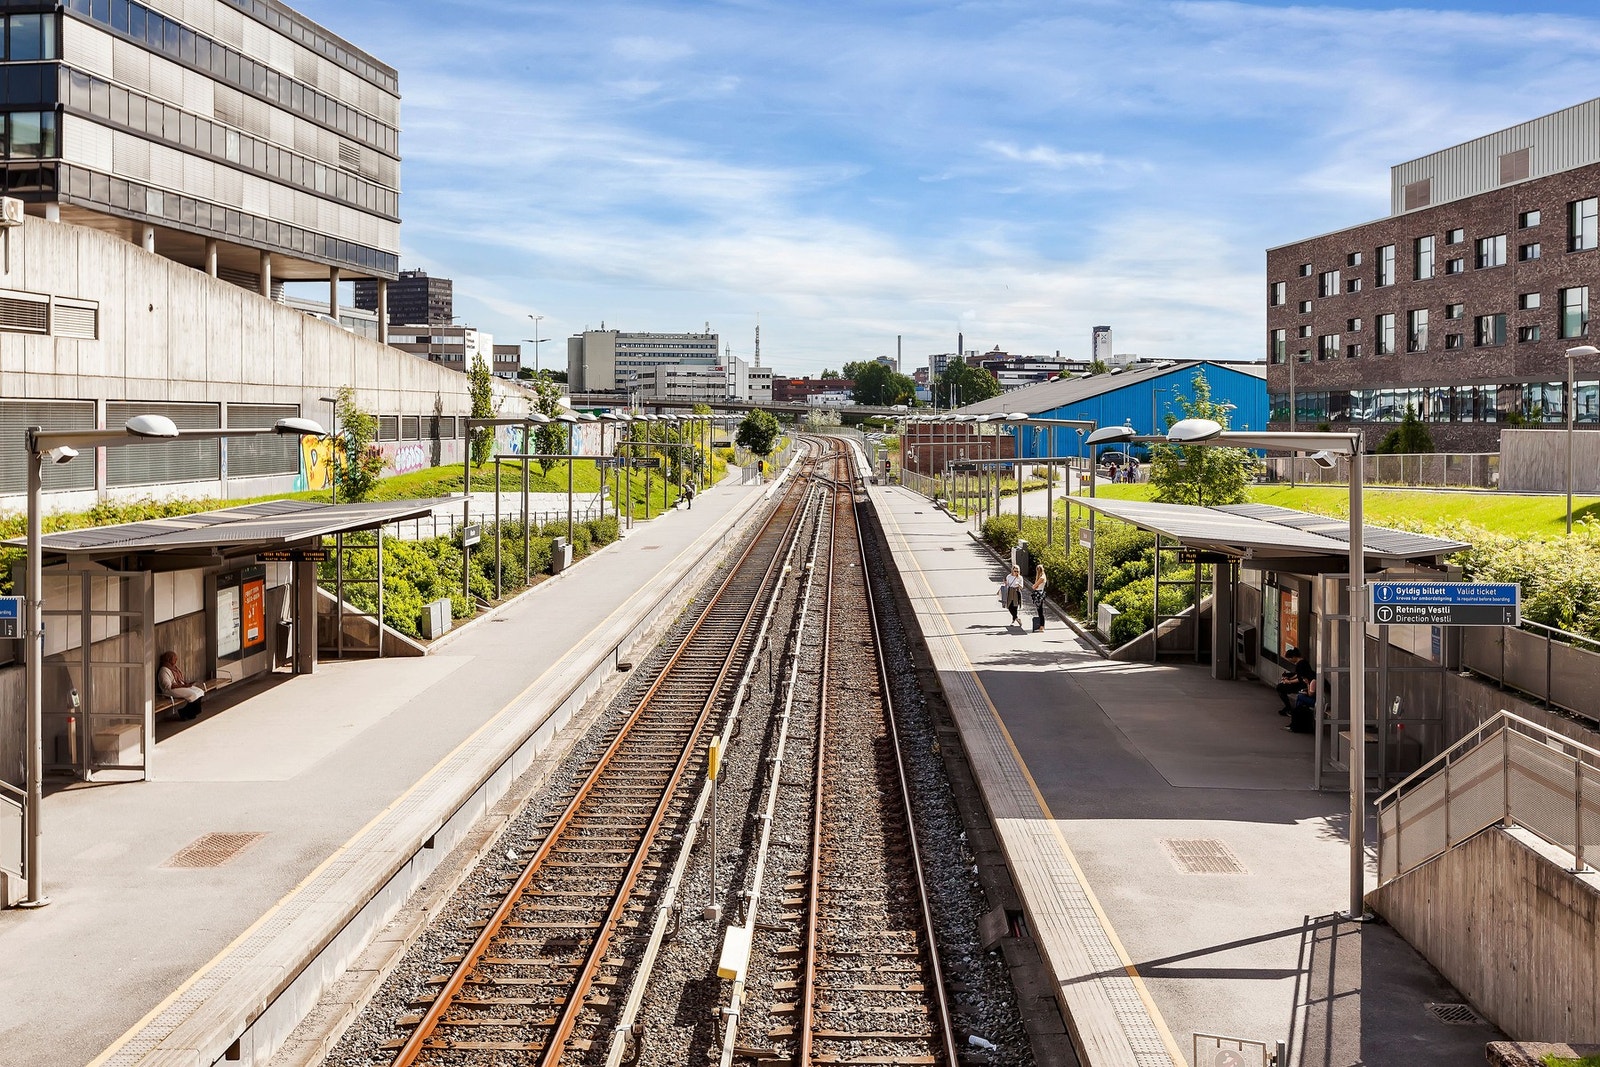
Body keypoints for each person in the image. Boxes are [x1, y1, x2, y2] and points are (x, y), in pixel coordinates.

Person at [158, 650, 206, 721]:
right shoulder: (164, 670)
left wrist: (186, 684)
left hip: (179, 686)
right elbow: (167, 686)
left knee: (200, 691)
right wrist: (183, 686)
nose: (176, 660)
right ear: (169, 659)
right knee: (193, 694)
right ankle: (184, 712)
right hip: (170, 690)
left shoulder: (174, 668)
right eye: (174, 659)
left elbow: (180, 680)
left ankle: (193, 712)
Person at [1276, 646, 1315, 715]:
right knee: (1281, 687)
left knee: (1280, 688)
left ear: (1293, 657)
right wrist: (1289, 678)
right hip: (1303, 683)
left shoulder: (1300, 664)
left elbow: (1300, 678)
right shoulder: (1303, 662)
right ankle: (1288, 708)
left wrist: (1289, 682)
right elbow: (1298, 674)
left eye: (1290, 659)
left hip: (1302, 685)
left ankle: (1288, 708)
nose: (1290, 661)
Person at [1029, 564, 1048, 631]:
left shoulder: (1041, 578)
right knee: (1039, 610)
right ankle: (1041, 625)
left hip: (1039, 594)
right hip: (1040, 593)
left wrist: (1035, 585)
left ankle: (1042, 626)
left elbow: (1034, 586)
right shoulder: (1043, 576)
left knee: (1040, 610)